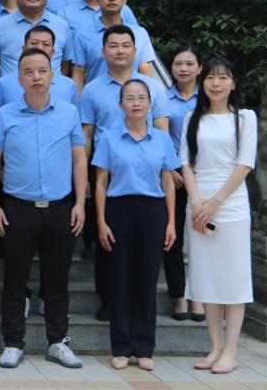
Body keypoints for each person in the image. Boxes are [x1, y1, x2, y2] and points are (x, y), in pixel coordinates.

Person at [0, 48, 87, 370]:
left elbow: (79, 160)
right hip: (17, 208)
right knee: (14, 280)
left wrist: (80, 203)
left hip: (60, 208)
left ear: (52, 76)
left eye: (42, 71)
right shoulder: (4, 115)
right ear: (19, 78)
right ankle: (13, 343)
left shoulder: (68, 113)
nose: (36, 77)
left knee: (57, 281)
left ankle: (57, 342)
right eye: (29, 72)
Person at [80, 25, 169, 320]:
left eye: (125, 45)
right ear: (103, 52)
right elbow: (87, 134)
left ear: (135, 50)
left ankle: (137, 304)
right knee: (107, 241)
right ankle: (108, 300)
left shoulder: (153, 87)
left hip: (146, 173)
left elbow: (162, 130)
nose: (120, 51)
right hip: (107, 170)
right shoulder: (92, 89)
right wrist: (85, 179)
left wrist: (166, 171)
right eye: (113, 45)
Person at [93, 79, 178, 371]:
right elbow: (101, 182)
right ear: (121, 105)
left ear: (150, 104)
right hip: (118, 209)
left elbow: (168, 181)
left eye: (142, 97)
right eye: (129, 98)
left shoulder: (162, 140)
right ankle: (120, 347)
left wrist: (171, 222)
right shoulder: (109, 138)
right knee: (120, 279)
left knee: (146, 280)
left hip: (153, 211)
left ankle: (143, 348)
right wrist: (101, 221)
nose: (136, 103)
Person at [179, 57, 256, 375]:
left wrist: (215, 202)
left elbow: (245, 164)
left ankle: (231, 351)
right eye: (210, 77)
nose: (215, 83)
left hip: (231, 205)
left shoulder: (245, 118)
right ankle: (215, 346)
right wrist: (197, 202)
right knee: (207, 277)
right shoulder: (191, 118)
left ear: (233, 83)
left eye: (223, 77)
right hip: (198, 206)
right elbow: (185, 163)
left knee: (233, 279)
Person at [163, 46, 204, 322]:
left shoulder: (209, 98)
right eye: (178, 63)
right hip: (174, 176)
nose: (183, 69)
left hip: (205, 174)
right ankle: (178, 296)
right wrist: (171, 168)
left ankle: (198, 296)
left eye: (190, 64)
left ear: (200, 68)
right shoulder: (163, 98)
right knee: (173, 237)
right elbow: (160, 135)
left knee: (202, 238)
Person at [71, 0, 156, 87]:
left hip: (133, 95)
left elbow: (145, 72)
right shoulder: (82, 35)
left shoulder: (140, 33)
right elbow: (79, 73)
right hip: (97, 95)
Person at [0, 25, 78, 110]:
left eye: (46, 44)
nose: (40, 48)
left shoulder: (69, 85)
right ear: (24, 49)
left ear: (53, 52)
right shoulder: (4, 84)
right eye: (34, 43)